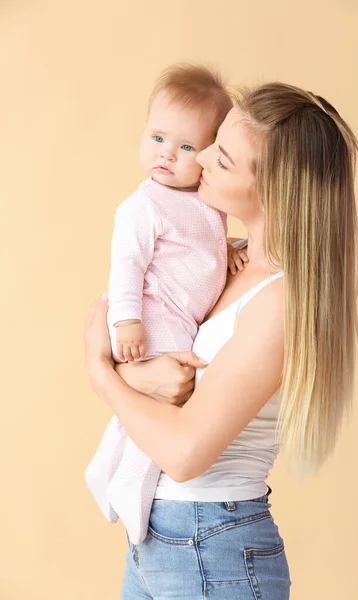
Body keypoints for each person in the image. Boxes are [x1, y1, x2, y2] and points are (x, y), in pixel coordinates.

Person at [84, 80, 358, 600]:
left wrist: (103, 374)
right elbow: (153, 356)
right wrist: (132, 370)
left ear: (275, 190)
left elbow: (186, 452)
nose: (202, 157)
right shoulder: (224, 264)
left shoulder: (280, 302)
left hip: (213, 546)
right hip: (162, 539)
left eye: (225, 158)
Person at [85, 64, 248, 545]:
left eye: (186, 147)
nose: (166, 156)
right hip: (154, 318)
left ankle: (106, 469)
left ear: (211, 155)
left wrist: (233, 248)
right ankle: (132, 487)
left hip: (180, 318)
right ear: (144, 132)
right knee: (164, 411)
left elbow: (199, 246)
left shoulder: (207, 202)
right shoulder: (144, 205)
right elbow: (127, 266)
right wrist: (127, 320)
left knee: (143, 409)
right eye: (158, 138)